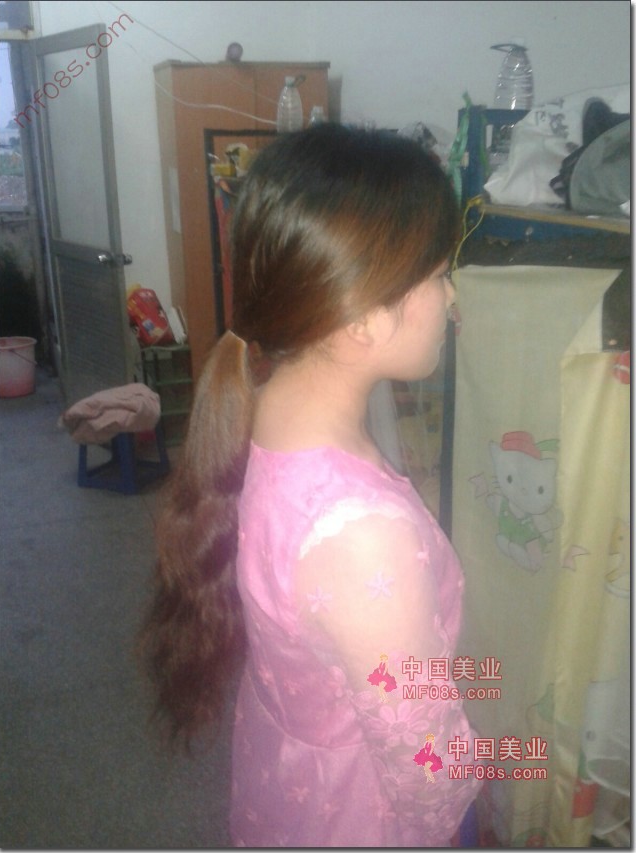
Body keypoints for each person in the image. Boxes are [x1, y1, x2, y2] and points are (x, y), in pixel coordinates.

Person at [141, 123, 481, 846]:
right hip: (356, 815)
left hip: (289, 770)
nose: (452, 296)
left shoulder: (266, 407)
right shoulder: (364, 538)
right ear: (362, 318)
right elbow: (427, 768)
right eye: (438, 272)